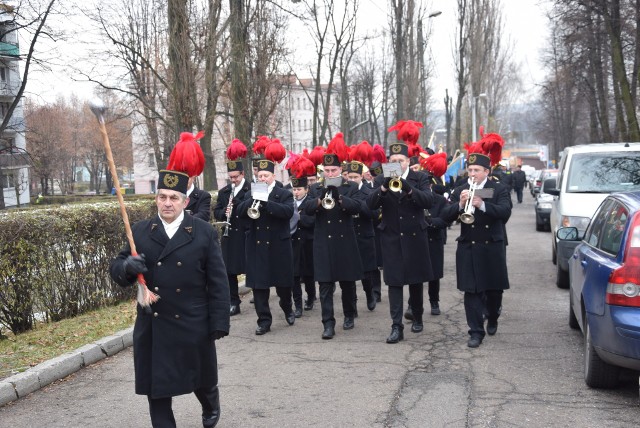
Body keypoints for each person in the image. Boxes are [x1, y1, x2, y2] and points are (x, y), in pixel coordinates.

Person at [109, 167, 230, 428]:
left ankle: (210, 401)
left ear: (185, 202)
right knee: (158, 389)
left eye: (174, 198)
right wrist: (127, 267)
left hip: (192, 321)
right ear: (156, 199)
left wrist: (219, 321)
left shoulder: (203, 232)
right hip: (154, 323)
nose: (167, 203)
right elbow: (116, 268)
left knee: (201, 378)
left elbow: (218, 281)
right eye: (162, 197)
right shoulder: (140, 232)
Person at [367, 120, 435, 344]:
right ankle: (396, 326)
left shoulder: (420, 178)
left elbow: (427, 201)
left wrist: (407, 187)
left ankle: (417, 316)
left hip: (415, 235)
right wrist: (384, 187)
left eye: (400, 161)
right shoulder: (380, 179)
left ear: (408, 162)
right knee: (394, 283)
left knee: (416, 281)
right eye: (393, 161)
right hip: (391, 238)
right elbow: (369, 205)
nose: (396, 163)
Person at [441, 137, 512, 348]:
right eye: (470, 170)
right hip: (469, 246)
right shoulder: (460, 188)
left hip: (492, 245)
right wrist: (460, 205)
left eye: (476, 170)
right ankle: (475, 332)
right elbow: (445, 215)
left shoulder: (498, 189)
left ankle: (493, 315)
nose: (472, 174)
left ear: (486, 172)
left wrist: (481, 205)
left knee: (493, 291)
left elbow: (505, 212)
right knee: (471, 291)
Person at [303, 133, 364, 339]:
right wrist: (321, 198)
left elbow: (357, 207)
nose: (330, 173)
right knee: (325, 286)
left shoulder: (351, 187)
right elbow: (307, 210)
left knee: (347, 283)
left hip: (344, 242)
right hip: (323, 243)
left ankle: (349, 315)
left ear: (341, 170)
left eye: (333, 170)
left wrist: (339, 198)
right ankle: (328, 323)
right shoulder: (315, 188)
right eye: (326, 171)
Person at [237, 140, 295, 335]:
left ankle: (287, 308)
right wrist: (251, 203)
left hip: (278, 245)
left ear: (273, 176)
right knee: (259, 287)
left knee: (283, 285)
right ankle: (264, 321)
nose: (262, 178)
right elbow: (239, 212)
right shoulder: (250, 193)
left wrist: (266, 204)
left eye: (265, 175)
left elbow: (287, 212)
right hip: (257, 246)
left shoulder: (283, 192)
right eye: (259, 175)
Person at [213, 139, 250, 316]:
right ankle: (233, 302)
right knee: (229, 272)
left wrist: (237, 205)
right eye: (231, 177)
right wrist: (224, 212)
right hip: (229, 235)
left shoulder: (251, 188)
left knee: (252, 267)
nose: (233, 180)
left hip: (247, 233)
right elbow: (217, 211)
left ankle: (259, 299)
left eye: (236, 177)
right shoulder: (224, 192)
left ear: (242, 174)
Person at [346, 159, 378, 312]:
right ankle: (352, 303)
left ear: (361, 177)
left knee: (366, 272)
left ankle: (369, 293)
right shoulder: (343, 191)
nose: (352, 180)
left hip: (364, 235)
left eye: (355, 177)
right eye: (349, 177)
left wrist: (358, 205)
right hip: (348, 236)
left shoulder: (369, 192)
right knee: (349, 274)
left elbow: (375, 213)